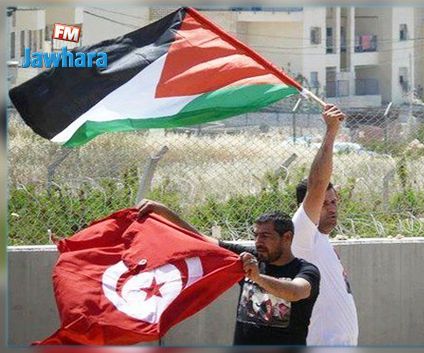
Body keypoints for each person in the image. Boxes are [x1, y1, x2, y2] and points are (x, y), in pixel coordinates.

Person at [136, 201, 320, 346]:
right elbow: (201, 240)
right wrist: (163, 212)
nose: (257, 242)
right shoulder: (249, 259)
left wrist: (257, 278)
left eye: (265, 236)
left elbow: (296, 292)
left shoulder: (305, 270)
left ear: (287, 237)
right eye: (256, 235)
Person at [291, 103, 359, 345]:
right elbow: (317, 183)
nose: (332, 207)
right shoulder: (302, 233)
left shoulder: (321, 241)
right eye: (324, 202)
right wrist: (331, 132)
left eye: (334, 201)